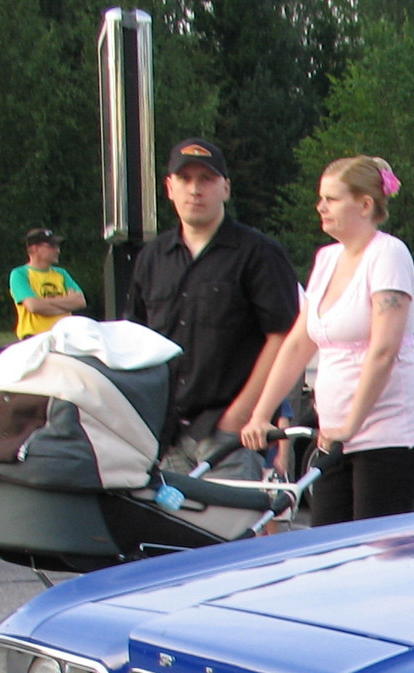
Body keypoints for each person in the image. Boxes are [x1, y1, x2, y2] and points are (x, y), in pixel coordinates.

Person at [240, 155, 414, 525]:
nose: (321, 207)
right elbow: (299, 344)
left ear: (365, 205)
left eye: (331, 199)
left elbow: (384, 349)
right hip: (333, 436)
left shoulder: (388, 254)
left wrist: (351, 424)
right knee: (328, 547)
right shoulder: (327, 259)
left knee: (375, 550)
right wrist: (260, 414)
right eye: (321, 198)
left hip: (388, 433)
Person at [128, 138, 302, 478]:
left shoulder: (258, 254)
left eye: (207, 180)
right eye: (185, 179)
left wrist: (242, 413)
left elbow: (284, 337)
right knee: (172, 532)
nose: (195, 190)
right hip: (164, 436)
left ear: (225, 188)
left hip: (227, 436)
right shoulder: (152, 257)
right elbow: (135, 338)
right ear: (169, 187)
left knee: (229, 532)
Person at [9, 229, 85, 339]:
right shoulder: (20, 274)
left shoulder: (61, 273)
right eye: (52, 246)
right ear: (35, 249)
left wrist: (44, 301)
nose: (57, 251)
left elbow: (80, 301)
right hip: (35, 338)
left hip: (65, 337)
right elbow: (34, 306)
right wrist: (66, 305)